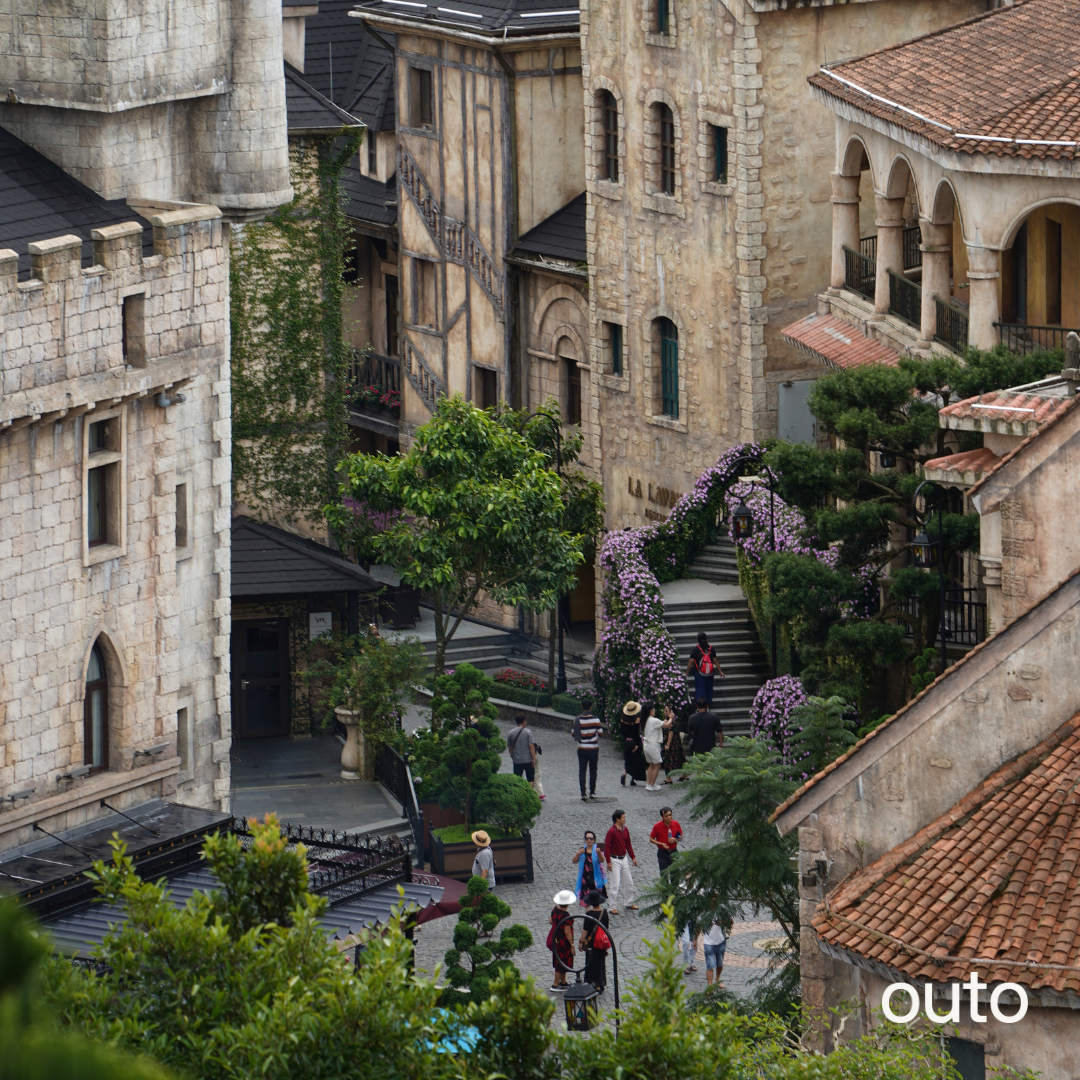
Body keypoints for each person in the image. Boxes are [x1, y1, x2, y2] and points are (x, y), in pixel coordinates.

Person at [604, 809, 638, 914]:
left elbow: (628, 844)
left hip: (624, 859)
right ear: (617, 819)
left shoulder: (625, 829)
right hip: (615, 860)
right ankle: (612, 906)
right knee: (615, 885)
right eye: (623, 817)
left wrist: (633, 857)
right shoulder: (612, 831)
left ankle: (629, 902)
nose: (625, 819)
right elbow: (607, 847)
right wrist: (608, 861)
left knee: (629, 883)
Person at [579, 889, 611, 992]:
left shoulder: (589, 915)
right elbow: (606, 929)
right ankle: (600, 983)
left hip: (591, 943)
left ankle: (594, 984)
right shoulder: (604, 913)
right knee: (600, 963)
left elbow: (585, 931)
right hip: (601, 942)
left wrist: (581, 942)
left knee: (591, 963)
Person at [507, 713, 543, 799]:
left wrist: (513, 756)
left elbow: (510, 747)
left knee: (517, 778)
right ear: (524, 722)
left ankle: (518, 795)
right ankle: (529, 795)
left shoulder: (511, 733)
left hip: (517, 760)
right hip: (528, 760)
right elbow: (531, 746)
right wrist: (533, 758)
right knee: (530, 778)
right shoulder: (528, 732)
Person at [574, 696, 603, 803]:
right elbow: (600, 733)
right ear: (590, 707)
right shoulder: (596, 719)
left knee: (582, 770)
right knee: (593, 770)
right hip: (593, 748)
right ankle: (592, 792)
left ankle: (583, 793)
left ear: (582, 707)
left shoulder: (577, 720)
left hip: (582, 748)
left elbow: (574, 734)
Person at [548, 889, 577, 991]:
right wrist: (572, 945)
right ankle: (556, 984)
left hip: (556, 940)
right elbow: (567, 932)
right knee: (560, 963)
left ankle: (563, 982)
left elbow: (551, 921)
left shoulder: (555, 910)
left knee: (561, 961)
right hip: (563, 943)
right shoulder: (567, 916)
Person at [641, 702, 673, 791]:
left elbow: (662, 723)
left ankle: (649, 784)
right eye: (653, 709)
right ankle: (651, 784)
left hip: (647, 745)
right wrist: (671, 717)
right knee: (657, 766)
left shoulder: (646, 720)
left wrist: (667, 719)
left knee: (651, 765)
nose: (654, 710)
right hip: (653, 745)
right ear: (650, 711)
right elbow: (667, 725)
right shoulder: (653, 720)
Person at [687, 632, 725, 707]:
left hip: (699, 672)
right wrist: (720, 671)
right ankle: (708, 703)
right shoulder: (711, 648)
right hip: (710, 673)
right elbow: (715, 661)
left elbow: (690, 662)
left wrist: (687, 672)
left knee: (700, 689)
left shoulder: (696, 649)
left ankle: (701, 705)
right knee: (708, 688)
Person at [572, 829, 607, 905]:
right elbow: (574, 861)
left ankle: (595, 915)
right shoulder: (582, 850)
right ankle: (588, 915)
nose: (589, 840)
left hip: (596, 878)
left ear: (594, 840)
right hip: (585, 879)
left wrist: (599, 854)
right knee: (586, 901)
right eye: (587, 838)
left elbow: (602, 860)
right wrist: (578, 853)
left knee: (596, 902)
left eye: (591, 838)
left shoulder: (597, 849)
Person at [648, 806, 682, 874]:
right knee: (664, 875)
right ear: (662, 817)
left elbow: (680, 837)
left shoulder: (676, 824)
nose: (669, 817)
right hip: (662, 853)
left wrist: (675, 840)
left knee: (675, 875)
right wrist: (661, 844)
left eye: (670, 815)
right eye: (666, 816)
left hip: (674, 852)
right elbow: (651, 839)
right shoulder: (657, 826)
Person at [620, 701, 647, 786]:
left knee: (627, 760)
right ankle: (632, 779)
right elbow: (636, 733)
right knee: (636, 760)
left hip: (627, 741)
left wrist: (627, 740)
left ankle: (624, 773)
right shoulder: (636, 719)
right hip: (635, 741)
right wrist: (635, 744)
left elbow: (622, 732)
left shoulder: (622, 719)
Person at [660, 702, 686, 783]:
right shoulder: (670, 719)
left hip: (672, 743)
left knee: (668, 760)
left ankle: (668, 778)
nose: (665, 712)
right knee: (679, 758)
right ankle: (685, 774)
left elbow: (670, 733)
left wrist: (667, 744)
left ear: (671, 712)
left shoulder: (672, 721)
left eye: (666, 711)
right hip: (675, 743)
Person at [703, 919, 727, 988]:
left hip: (720, 941)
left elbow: (731, 921)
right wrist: (695, 939)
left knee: (720, 963)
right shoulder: (704, 912)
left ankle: (717, 979)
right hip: (708, 943)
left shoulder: (722, 909)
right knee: (710, 964)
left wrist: (722, 922)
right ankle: (710, 986)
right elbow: (699, 925)